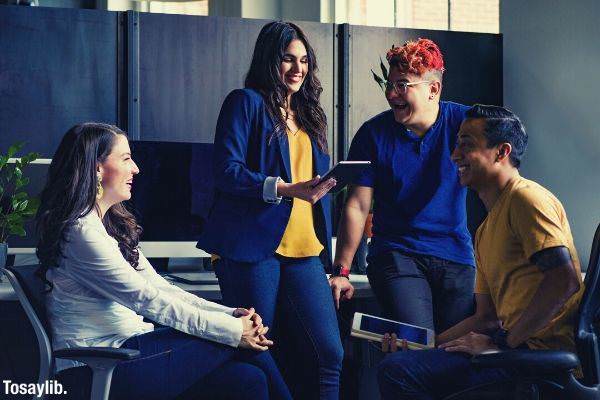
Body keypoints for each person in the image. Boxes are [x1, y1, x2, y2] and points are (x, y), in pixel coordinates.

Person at [35, 123, 292, 400]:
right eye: (126, 159)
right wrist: (233, 331)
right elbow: (145, 299)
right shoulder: (81, 231)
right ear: (97, 168)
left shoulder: (106, 226)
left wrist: (229, 315)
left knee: (247, 380)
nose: (136, 168)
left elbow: (162, 288)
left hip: (132, 351)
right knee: (240, 343)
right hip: (97, 367)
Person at [377, 105, 584, 400]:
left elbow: (565, 280)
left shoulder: (527, 199)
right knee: (402, 363)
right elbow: (486, 317)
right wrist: (423, 344)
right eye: (456, 143)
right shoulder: (485, 230)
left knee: (398, 373)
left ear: (501, 152)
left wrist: (505, 343)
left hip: (536, 360)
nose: (454, 155)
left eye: (467, 144)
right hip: (513, 352)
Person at [196, 21, 343, 399]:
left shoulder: (310, 115)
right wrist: (285, 187)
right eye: (288, 59)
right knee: (256, 347)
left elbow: (307, 181)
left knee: (330, 351)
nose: (298, 69)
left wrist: (323, 184)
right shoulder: (245, 102)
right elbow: (225, 171)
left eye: (305, 61)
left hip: (305, 249)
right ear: (269, 60)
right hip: (251, 247)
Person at [330, 38, 475, 333]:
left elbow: (505, 156)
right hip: (397, 255)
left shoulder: (465, 123)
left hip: (456, 256)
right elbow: (357, 206)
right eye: (389, 84)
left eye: (402, 85)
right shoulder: (373, 134)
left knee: (455, 354)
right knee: (418, 344)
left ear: (433, 89)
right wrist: (341, 271)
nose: (391, 93)